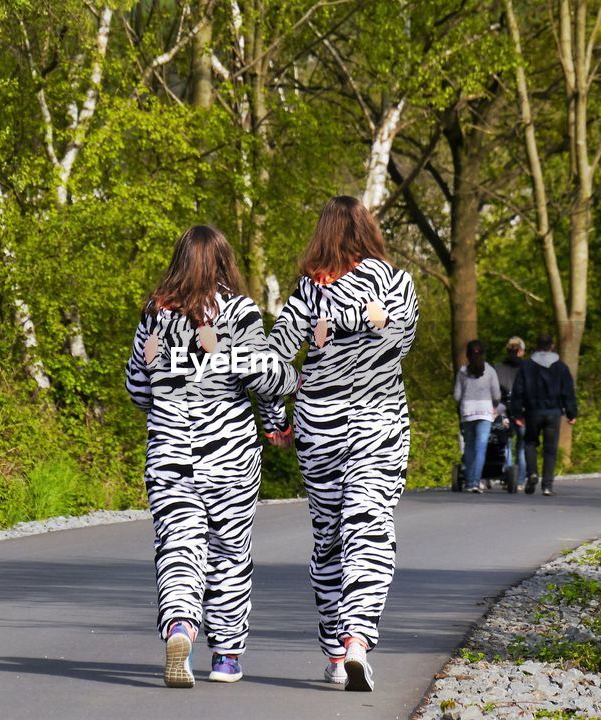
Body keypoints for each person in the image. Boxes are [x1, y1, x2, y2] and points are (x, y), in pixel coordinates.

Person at [125, 225, 298, 688]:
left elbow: (138, 392)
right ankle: (225, 657)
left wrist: (156, 369)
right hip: (230, 453)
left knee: (179, 546)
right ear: (225, 263)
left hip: (169, 450)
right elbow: (271, 378)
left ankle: (180, 625)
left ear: (179, 260)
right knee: (229, 552)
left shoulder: (154, 313)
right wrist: (276, 419)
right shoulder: (240, 312)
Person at [262, 195, 418, 692]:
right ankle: (357, 640)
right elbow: (402, 339)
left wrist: (275, 416)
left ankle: (334, 653)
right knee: (369, 529)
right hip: (380, 423)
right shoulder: (398, 283)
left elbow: (277, 359)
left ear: (324, 233)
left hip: (320, 427)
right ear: (370, 229)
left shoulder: (309, 289)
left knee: (329, 538)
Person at [508, 334, 578, 496]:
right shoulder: (561, 367)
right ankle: (547, 485)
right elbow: (567, 392)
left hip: (532, 412)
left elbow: (518, 391)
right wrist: (571, 413)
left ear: (537, 346)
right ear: (552, 346)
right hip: (553, 413)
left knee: (530, 443)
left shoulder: (526, 366)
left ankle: (532, 473)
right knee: (550, 449)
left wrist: (517, 413)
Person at [454, 340, 501, 493]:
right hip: (485, 412)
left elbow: (456, 396)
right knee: (481, 448)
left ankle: (468, 482)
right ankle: (475, 482)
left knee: (469, 447)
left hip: (468, 412)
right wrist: (494, 403)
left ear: (467, 355)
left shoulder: (462, 372)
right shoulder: (490, 371)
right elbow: (497, 394)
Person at [493, 337, 527, 487]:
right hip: (523, 410)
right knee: (522, 445)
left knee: (506, 443)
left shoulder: (497, 368)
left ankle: (508, 474)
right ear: (521, 351)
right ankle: (519, 479)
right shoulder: (527, 368)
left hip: (502, 409)